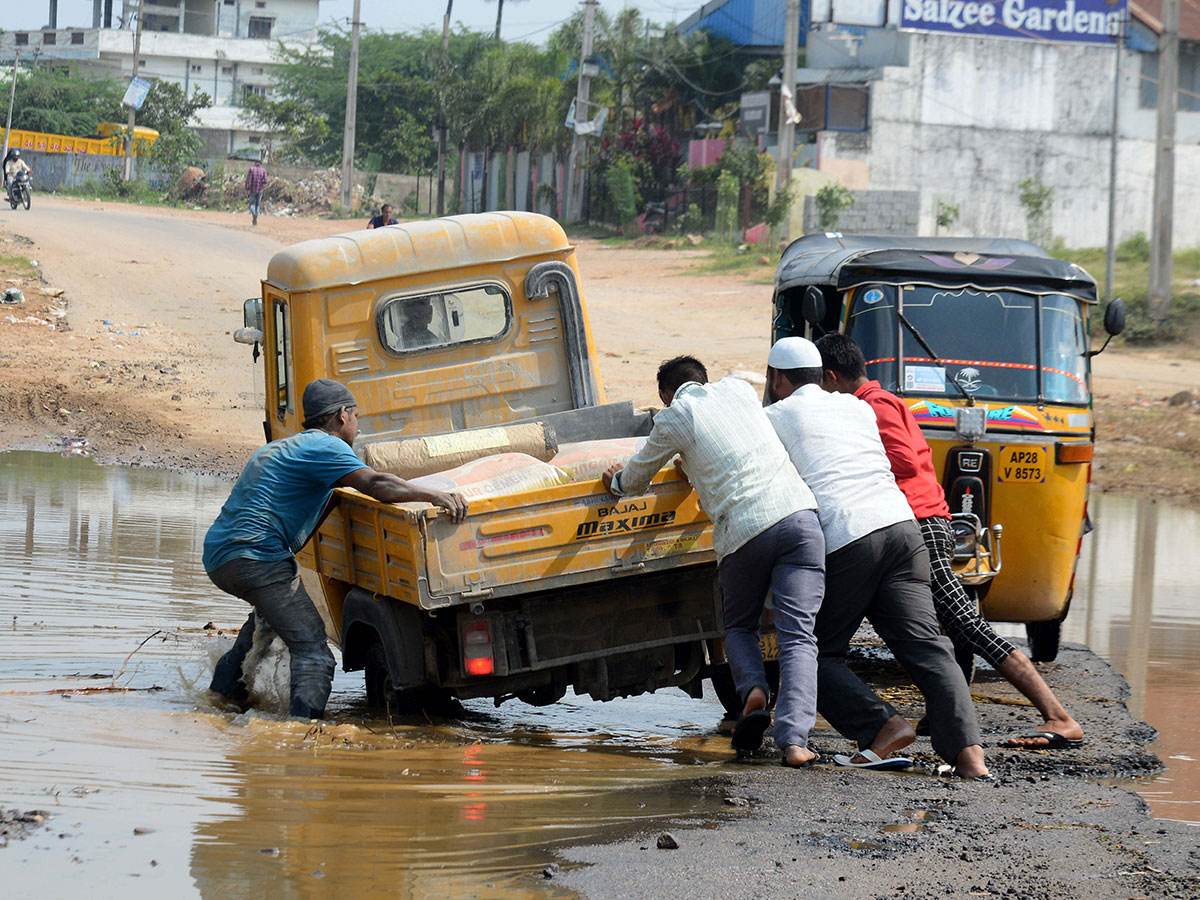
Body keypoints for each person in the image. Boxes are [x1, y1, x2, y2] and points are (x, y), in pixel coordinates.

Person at [817, 332, 1084, 751]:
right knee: (946, 628)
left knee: (965, 623)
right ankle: (945, 715)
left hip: (921, 522)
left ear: (831, 377)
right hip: (920, 521)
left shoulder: (873, 406)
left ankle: (1059, 716)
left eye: (818, 383)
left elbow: (902, 458)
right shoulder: (877, 402)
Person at [765, 336, 990, 780]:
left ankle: (884, 727)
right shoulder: (857, 407)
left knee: (814, 652)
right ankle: (969, 758)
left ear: (777, 379)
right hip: (904, 532)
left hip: (850, 537)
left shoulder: (775, 415)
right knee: (929, 649)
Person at [601, 356, 826, 767]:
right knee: (799, 637)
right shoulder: (739, 389)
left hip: (745, 532)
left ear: (666, 396)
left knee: (739, 627)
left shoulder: (674, 418)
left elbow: (635, 478)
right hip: (800, 519)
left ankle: (754, 692)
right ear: (703, 379)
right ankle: (794, 743)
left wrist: (615, 479)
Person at [204, 378, 469, 719]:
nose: (356, 425)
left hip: (221, 556)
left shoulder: (280, 448)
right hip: (256, 557)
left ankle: (222, 699)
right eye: (356, 416)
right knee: (314, 652)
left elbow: (305, 511)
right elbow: (376, 483)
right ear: (342, 416)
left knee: (265, 625)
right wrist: (433, 495)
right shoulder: (328, 448)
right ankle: (301, 735)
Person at [244, 159, 267, 226]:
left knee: (251, 204)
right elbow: (266, 181)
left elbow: (248, 180)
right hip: (260, 190)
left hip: (252, 190)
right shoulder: (263, 170)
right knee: (258, 205)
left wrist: (246, 188)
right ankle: (255, 218)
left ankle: (254, 214)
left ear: (255, 163)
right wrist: (261, 183)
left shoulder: (251, 169)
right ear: (260, 164)